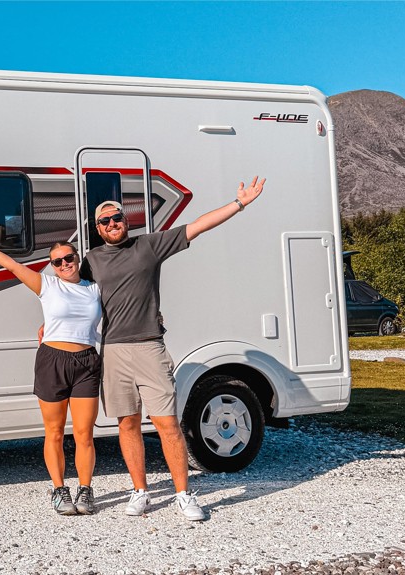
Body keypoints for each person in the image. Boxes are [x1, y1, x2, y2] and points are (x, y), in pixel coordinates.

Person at [83, 177, 265, 521]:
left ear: (126, 220)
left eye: (116, 218)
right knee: (127, 424)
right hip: (113, 352)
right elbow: (70, 292)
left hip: (150, 348)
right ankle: (141, 492)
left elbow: (197, 226)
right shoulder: (90, 260)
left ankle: (184, 494)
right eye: (104, 221)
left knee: (167, 424)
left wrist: (239, 203)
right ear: (98, 228)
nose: (112, 224)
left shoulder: (148, 246)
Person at [0, 234, 102, 516]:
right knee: (55, 432)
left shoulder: (95, 289)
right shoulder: (47, 285)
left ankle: (85, 490)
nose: (64, 264)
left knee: (85, 433)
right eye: (57, 261)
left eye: (68, 258)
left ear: (77, 258)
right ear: (52, 265)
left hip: (87, 361)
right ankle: (60, 490)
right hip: (53, 360)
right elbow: (13, 266)